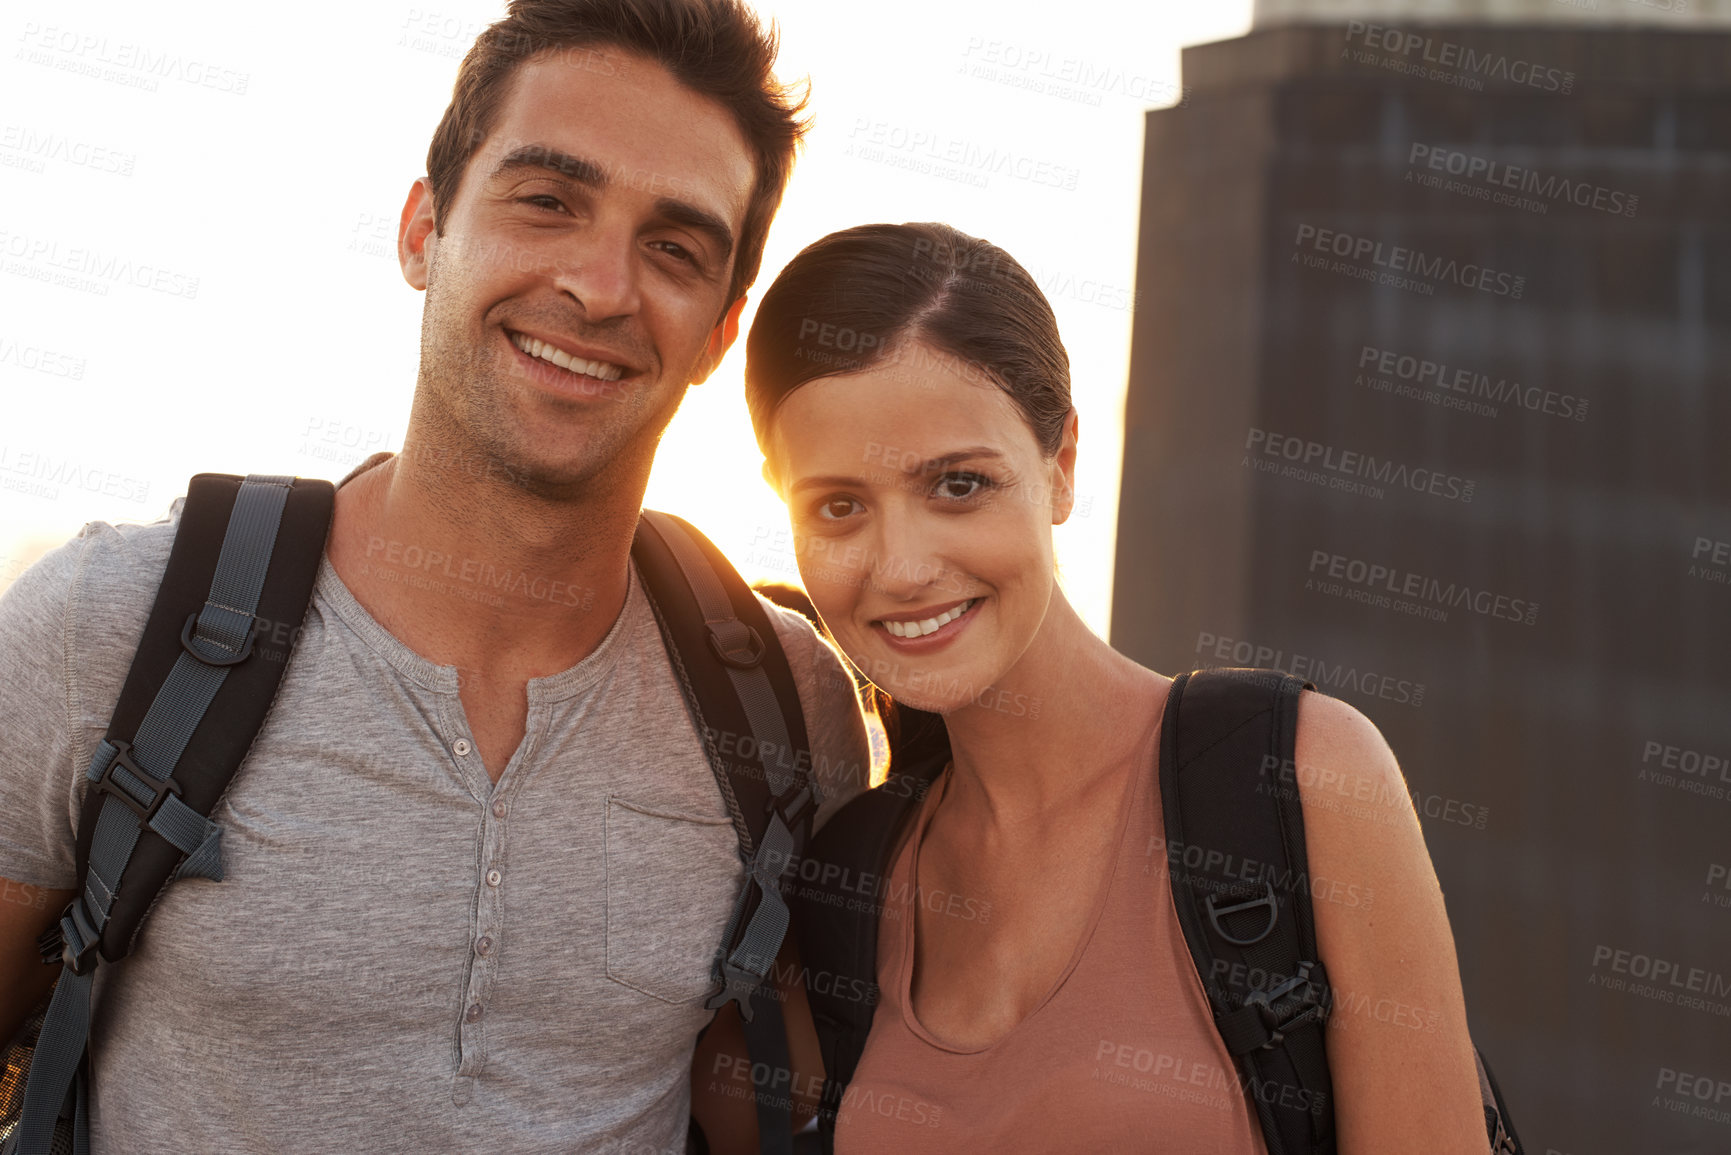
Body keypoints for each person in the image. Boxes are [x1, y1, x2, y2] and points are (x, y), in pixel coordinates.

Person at [0, 2, 870, 1152]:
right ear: (424, 231)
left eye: (674, 246)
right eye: (547, 200)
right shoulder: (110, 625)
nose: (602, 286)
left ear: (718, 332)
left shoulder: (784, 704)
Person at [739, 222, 1492, 1153]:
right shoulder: (842, 882)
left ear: (1059, 468)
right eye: (839, 506)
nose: (899, 567)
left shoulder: (1295, 775)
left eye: (959, 485)